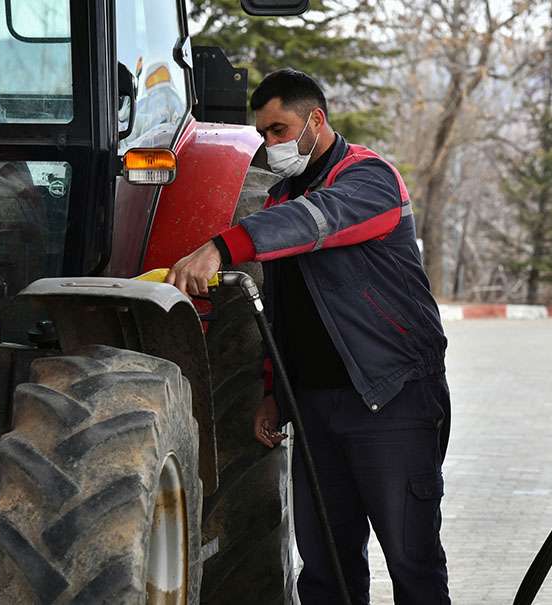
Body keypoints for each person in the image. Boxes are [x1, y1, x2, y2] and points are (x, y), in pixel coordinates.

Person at [167, 68, 451, 605]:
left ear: (315, 120)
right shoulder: (280, 198)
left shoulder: (369, 179)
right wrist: (274, 392)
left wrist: (221, 247)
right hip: (315, 406)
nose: (270, 143)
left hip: (389, 398)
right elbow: (282, 311)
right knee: (326, 566)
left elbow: (318, 219)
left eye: (279, 129)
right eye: (263, 133)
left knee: (411, 561)